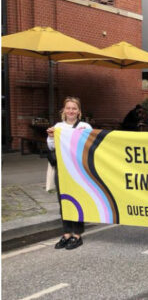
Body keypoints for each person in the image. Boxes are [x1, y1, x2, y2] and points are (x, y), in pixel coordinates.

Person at [46, 97, 92, 250]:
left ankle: (77, 234)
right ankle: (66, 233)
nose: (71, 111)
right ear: (63, 110)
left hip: (78, 170)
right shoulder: (58, 126)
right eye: (68, 108)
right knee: (64, 201)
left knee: (77, 201)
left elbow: (90, 146)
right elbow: (52, 147)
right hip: (63, 170)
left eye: (74, 108)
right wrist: (51, 137)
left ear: (79, 111)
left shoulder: (85, 126)